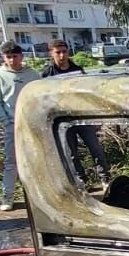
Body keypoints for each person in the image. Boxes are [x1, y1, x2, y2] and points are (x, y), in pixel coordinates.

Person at [40, 39, 110, 178]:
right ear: (51, 53)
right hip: (62, 119)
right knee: (71, 153)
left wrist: (95, 116)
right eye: (58, 52)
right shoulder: (47, 74)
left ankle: (105, 177)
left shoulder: (77, 70)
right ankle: (81, 180)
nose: (61, 55)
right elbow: (45, 99)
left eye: (64, 52)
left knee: (95, 148)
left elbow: (87, 93)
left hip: (81, 116)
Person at [0, 41, 40, 211]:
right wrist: (6, 120)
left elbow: (39, 97)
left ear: (21, 56)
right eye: (8, 57)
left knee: (35, 160)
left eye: (14, 56)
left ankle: (37, 197)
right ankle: (7, 197)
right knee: (11, 163)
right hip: (11, 125)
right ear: (4, 58)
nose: (12, 60)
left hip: (31, 123)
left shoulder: (33, 74)